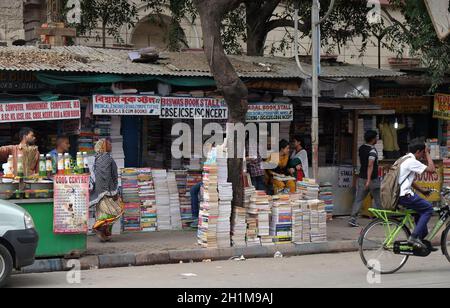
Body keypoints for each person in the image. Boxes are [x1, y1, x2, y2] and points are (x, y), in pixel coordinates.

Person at [398, 142, 436, 250]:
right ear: (418, 152)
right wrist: (428, 154)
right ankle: (414, 237)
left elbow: (407, 180)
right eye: (422, 154)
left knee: (420, 211)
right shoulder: (412, 161)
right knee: (428, 208)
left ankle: (421, 241)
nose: (422, 156)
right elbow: (432, 170)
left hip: (399, 194)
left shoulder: (404, 158)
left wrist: (422, 191)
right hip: (405, 195)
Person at [89, 139, 122, 242]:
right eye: (108, 144)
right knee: (114, 212)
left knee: (103, 214)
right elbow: (107, 176)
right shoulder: (106, 158)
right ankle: (99, 229)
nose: (111, 145)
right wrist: (112, 192)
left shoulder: (97, 158)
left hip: (100, 191)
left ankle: (105, 234)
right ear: (103, 146)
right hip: (106, 191)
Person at [349, 130, 382, 227]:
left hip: (361, 178)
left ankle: (353, 218)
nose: (377, 139)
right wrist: (368, 180)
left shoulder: (361, 148)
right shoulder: (372, 150)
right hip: (372, 179)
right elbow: (370, 165)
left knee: (359, 199)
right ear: (373, 139)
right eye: (376, 137)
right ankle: (381, 218)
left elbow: (364, 164)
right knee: (378, 199)